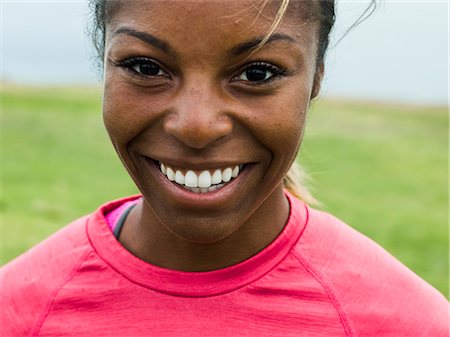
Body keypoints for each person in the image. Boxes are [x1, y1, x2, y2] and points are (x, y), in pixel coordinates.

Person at [1, 0, 447, 336]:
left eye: (256, 74)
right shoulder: (19, 312)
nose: (196, 127)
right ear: (104, 67)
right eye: (144, 66)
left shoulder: (406, 322)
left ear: (315, 80)